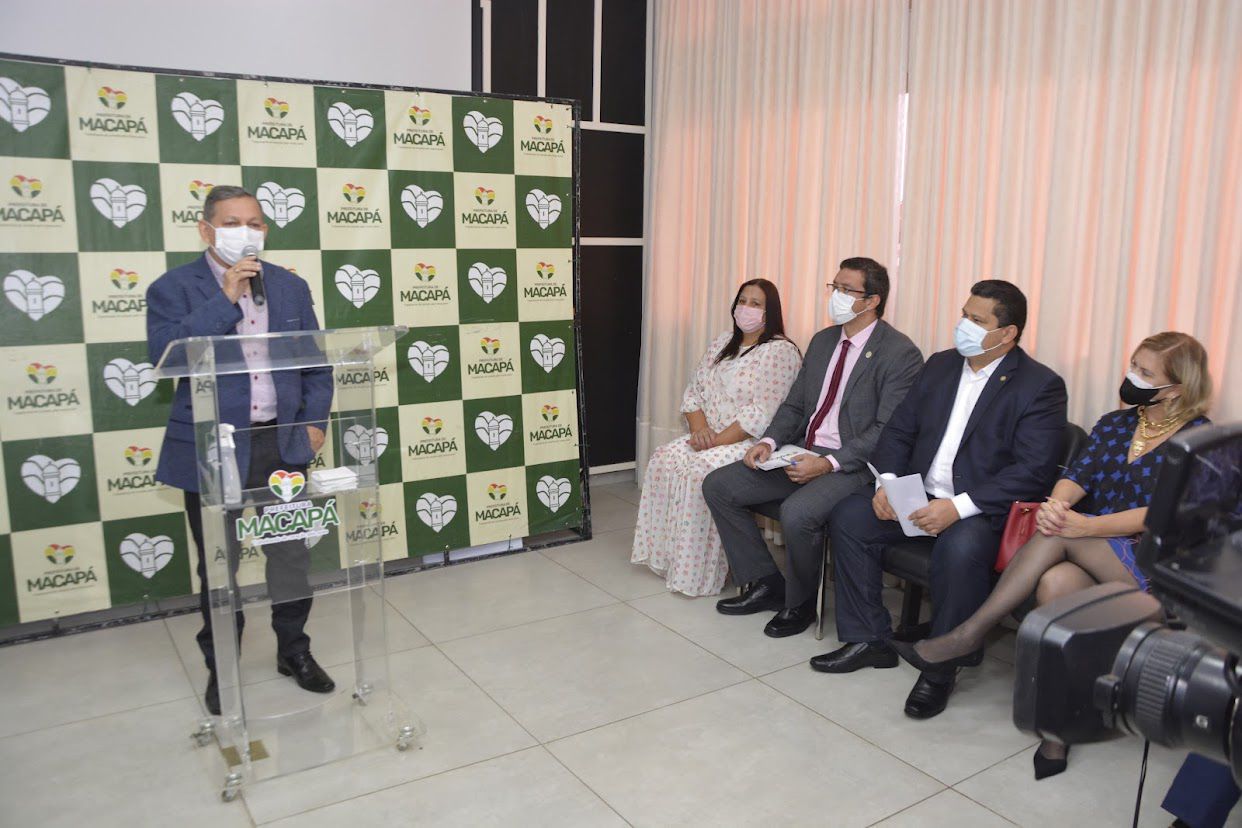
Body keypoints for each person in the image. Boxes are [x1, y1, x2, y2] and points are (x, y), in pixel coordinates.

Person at [889, 331, 1213, 777]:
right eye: (1133, 365)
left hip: (1153, 564)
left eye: (1145, 373)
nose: (1132, 376)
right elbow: (1078, 475)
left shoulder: (1199, 440)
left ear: (1175, 388)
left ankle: (969, 634)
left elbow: (1165, 515)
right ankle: (1058, 729)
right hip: (1089, 548)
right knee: (1055, 583)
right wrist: (1058, 504)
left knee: (1058, 535)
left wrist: (1081, 526)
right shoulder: (1116, 424)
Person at [823, 280, 1067, 721]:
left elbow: (1032, 470)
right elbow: (899, 430)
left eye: (977, 320)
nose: (963, 325)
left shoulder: (1039, 386)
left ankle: (940, 669)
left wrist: (958, 507)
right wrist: (887, 484)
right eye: (964, 314)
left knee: (961, 548)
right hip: (918, 493)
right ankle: (869, 638)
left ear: (1007, 333)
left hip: (978, 509)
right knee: (849, 516)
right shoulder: (940, 365)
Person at [146, 185, 335, 715]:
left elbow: (316, 365)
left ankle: (294, 651)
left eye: (254, 222)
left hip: (281, 443)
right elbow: (165, 357)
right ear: (206, 229)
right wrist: (223, 297)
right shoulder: (172, 288)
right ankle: (222, 666)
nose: (245, 232)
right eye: (232, 222)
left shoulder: (290, 287)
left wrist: (314, 423)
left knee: (291, 555)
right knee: (218, 564)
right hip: (214, 447)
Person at [702, 257, 923, 636]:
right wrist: (769, 441)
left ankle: (800, 604)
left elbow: (885, 430)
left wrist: (828, 464)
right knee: (719, 485)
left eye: (846, 289)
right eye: (834, 287)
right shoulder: (823, 341)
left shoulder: (899, 353)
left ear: (872, 301)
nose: (836, 295)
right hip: (802, 450)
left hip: (851, 466)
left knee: (798, 513)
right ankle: (767, 582)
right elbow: (795, 405)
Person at [631, 279, 802, 596]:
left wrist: (714, 442)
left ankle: (699, 571)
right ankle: (671, 559)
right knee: (664, 458)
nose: (746, 308)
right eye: (742, 301)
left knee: (697, 470)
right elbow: (693, 393)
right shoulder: (723, 342)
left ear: (770, 311)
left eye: (756, 303)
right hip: (708, 435)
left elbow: (762, 413)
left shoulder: (780, 352)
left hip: (749, 443)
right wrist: (699, 432)